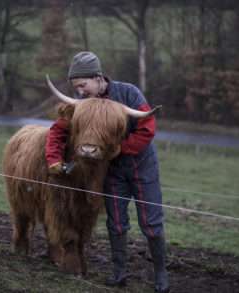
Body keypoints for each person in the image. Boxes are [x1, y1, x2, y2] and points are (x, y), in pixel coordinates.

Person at [45, 51, 170, 293]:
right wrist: (53, 158)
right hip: (110, 172)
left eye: (83, 85)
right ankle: (119, 273)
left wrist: (120, 148)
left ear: (97, 77)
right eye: (76, 87)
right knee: (116, 223)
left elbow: (147, 128)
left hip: (141, 166)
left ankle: (161, 274)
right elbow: (58, 131)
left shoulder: (129, 93)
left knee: (151, 222)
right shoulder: (82, 104)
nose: (80, 91)